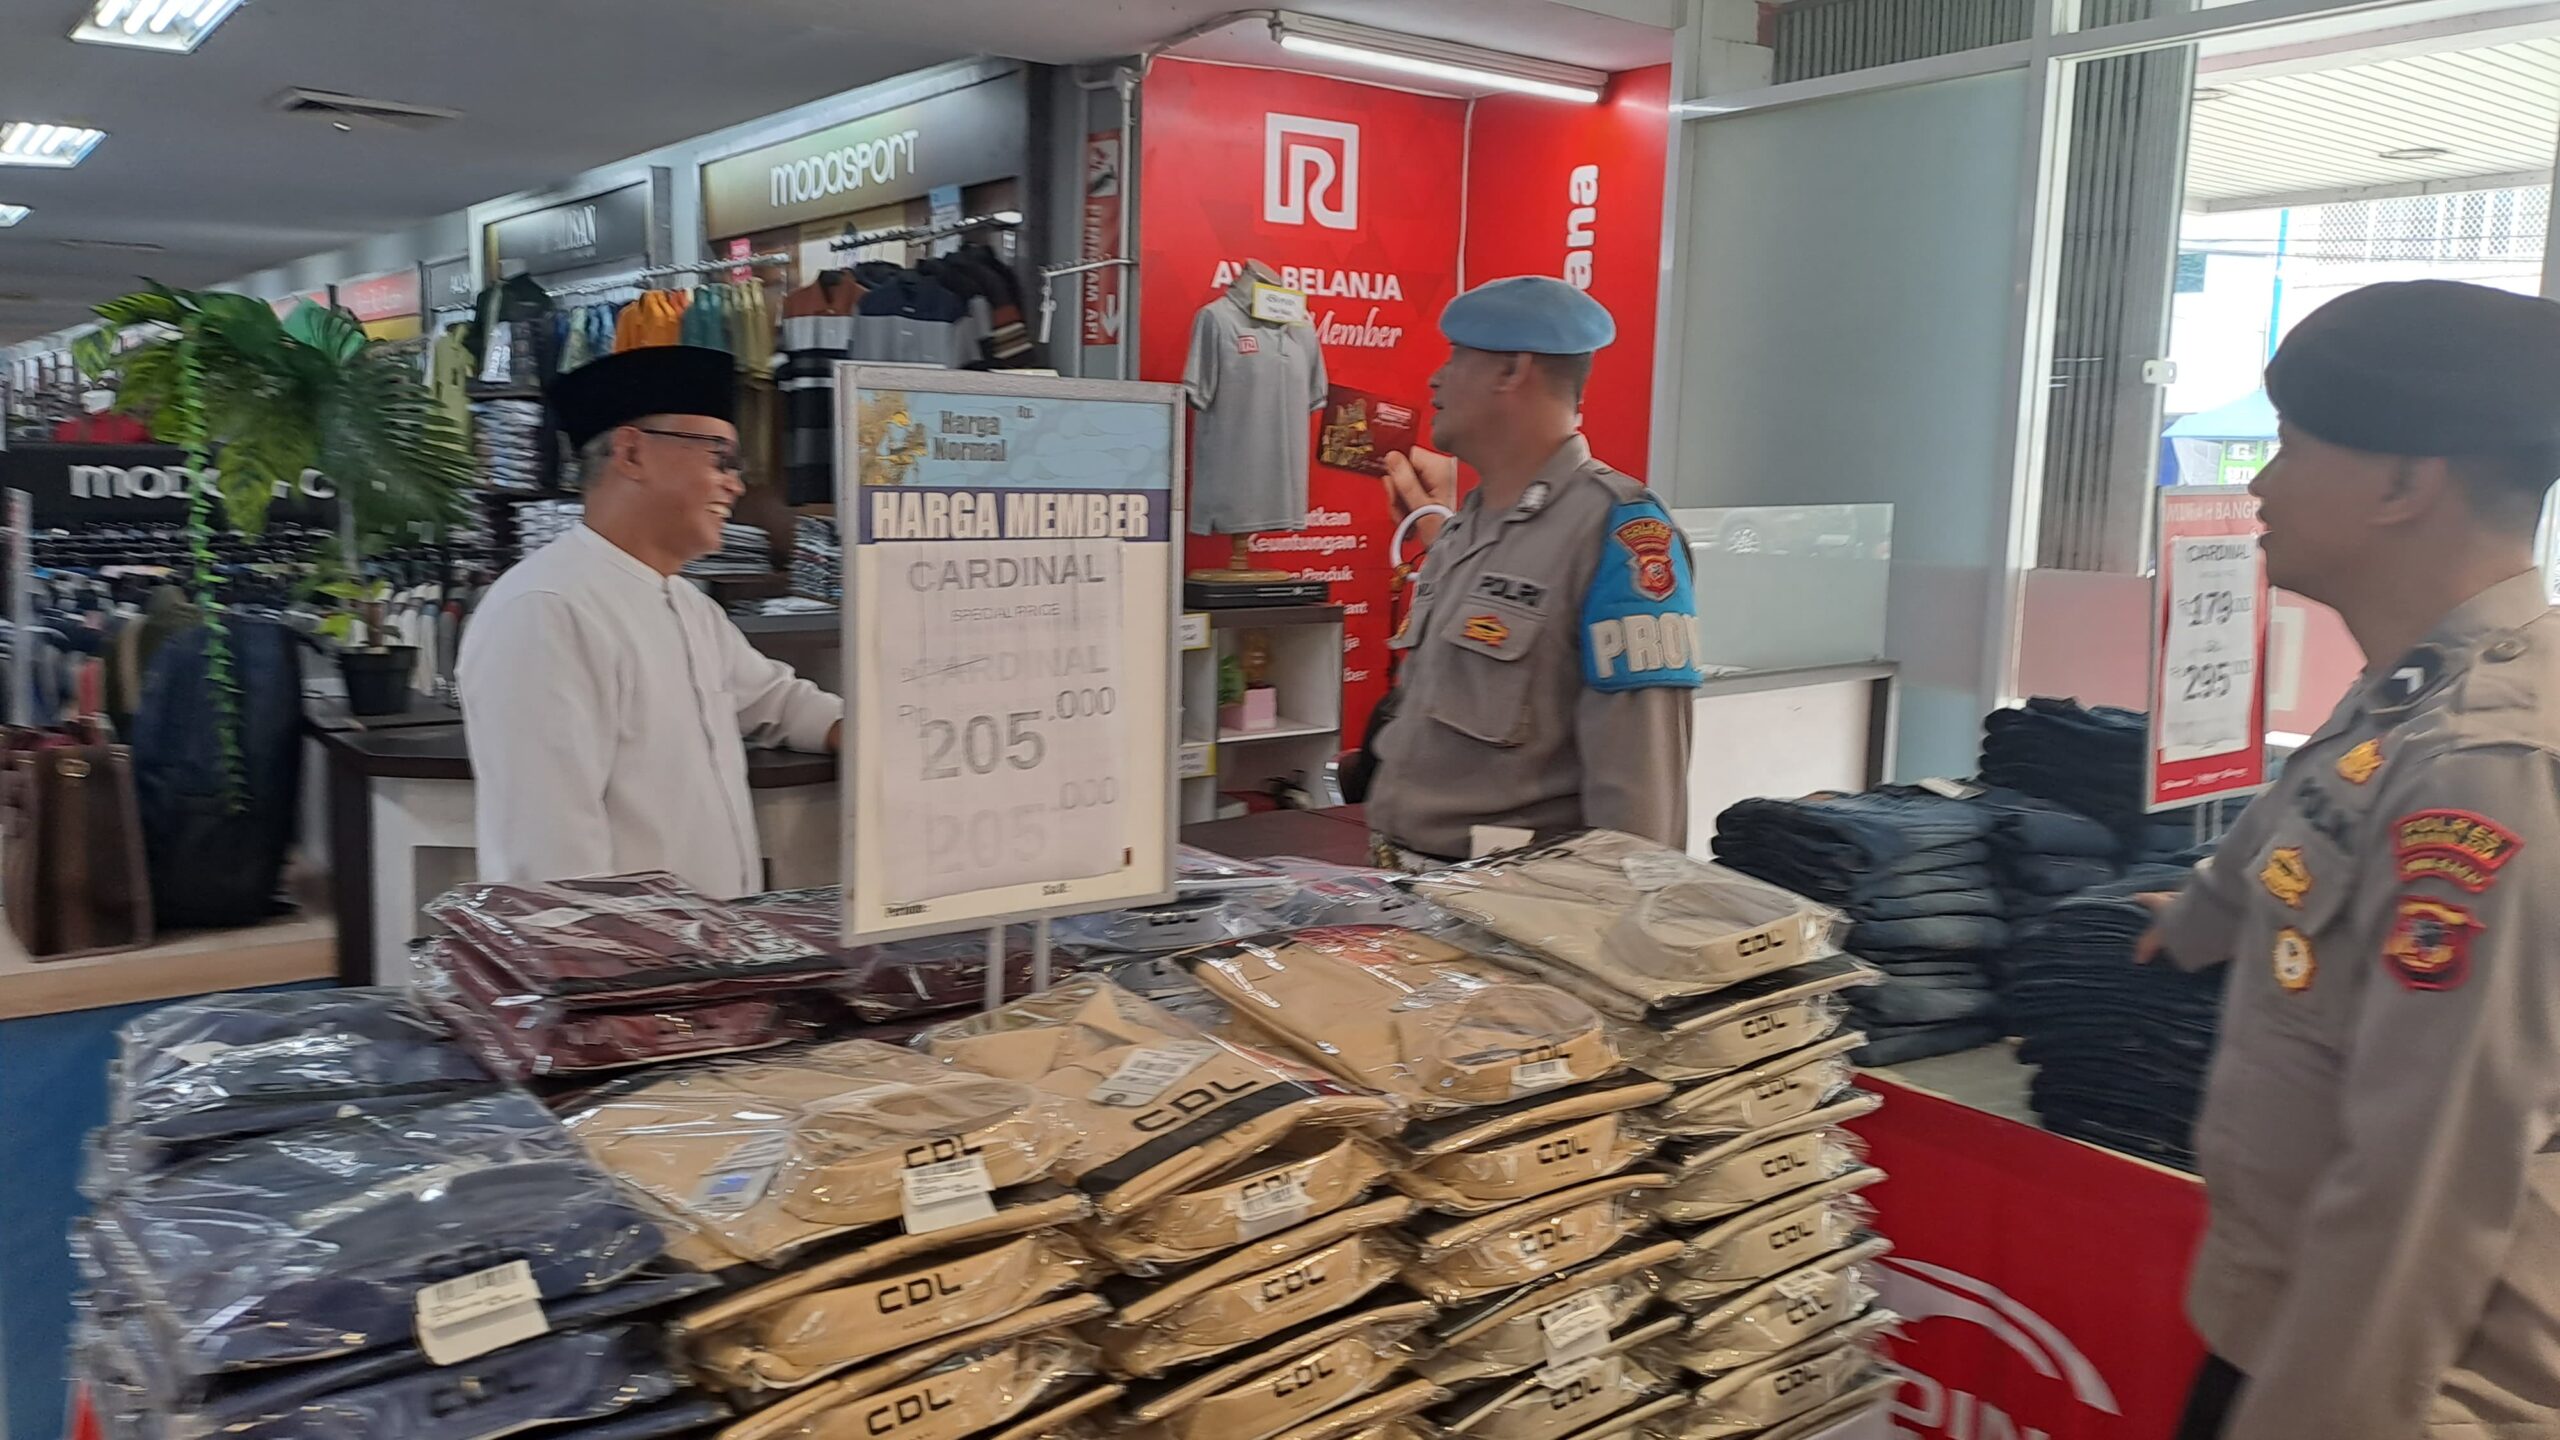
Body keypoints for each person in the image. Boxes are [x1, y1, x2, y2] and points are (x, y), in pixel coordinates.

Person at [2138, 280, 2560, 1440]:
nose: (2260, 486)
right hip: (2282, 1325)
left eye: (2290, 445)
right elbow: (2305, 820)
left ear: (2400, 485)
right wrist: (2193, 921)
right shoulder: (2411, 690)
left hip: (2396, 1387)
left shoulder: (2485, 764)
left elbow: (2430, 1173)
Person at [457, 345, 842, 898]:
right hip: (620, 949)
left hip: (710, 941)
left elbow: (776, 702)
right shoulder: (545, 610)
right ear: (632, 453)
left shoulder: (688, 604)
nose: (735, 485)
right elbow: (548, 859)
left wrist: (874, 736)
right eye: (720, 458)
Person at [1366, 275, 1699, 867]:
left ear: (1511, 369)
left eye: (1456, 356)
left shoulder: (1617, 533)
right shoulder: (1467, 526)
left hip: (1511, 903)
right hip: (1407, 886)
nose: (1436, 378)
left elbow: (1640, 803)